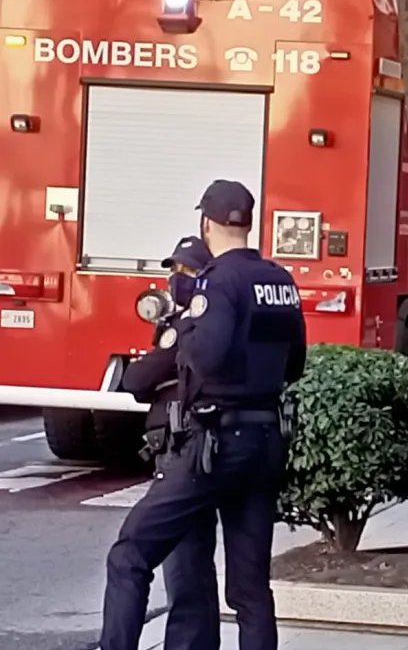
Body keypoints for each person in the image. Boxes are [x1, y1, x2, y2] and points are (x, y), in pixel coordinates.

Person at [100, 180, 307, 650]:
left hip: (215, 444)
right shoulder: (280, 280)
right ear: (249, 223)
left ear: (206, 223)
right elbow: (295, 363)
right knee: (251, 589)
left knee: (130, 553)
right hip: (266, 442)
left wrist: (184, 332)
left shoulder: (217, 281)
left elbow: (206, 357)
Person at [120, 235, 220, 650]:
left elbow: (138, 380)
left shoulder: (185, 327)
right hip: (188, 450)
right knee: (191, 566)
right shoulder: (186, 322)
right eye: (174, 269)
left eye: (187, 270)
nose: (177, 278)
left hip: (183, 453)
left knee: (149, 559)